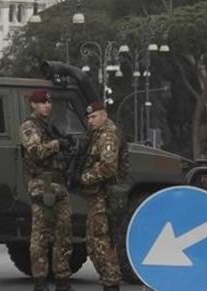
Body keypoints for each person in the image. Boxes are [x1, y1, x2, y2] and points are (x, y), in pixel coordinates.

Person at [20, 90, 74, 291]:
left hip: (59, 184)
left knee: (64, 235)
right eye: (43, 103)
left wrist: (66, 144)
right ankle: (40, 281)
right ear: (33, 104)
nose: (47, 106)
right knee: (41, 236)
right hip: (43, 184)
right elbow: (36, 151)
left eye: (49, 103)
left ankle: (62, 280)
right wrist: (58, 144)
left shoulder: (49, 127)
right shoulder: (29, 126)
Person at [77, 101, 128, 291]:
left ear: (104, 115)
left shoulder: (108, 135)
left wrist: (84, 178)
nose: (90, 121)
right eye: (88, 118)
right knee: (94, 242)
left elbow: (108, 168)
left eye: (94, 116)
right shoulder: (96, 135)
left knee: (102, 242)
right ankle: (108, 281)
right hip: (97, 197)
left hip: (105, 197)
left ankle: (111, 283)